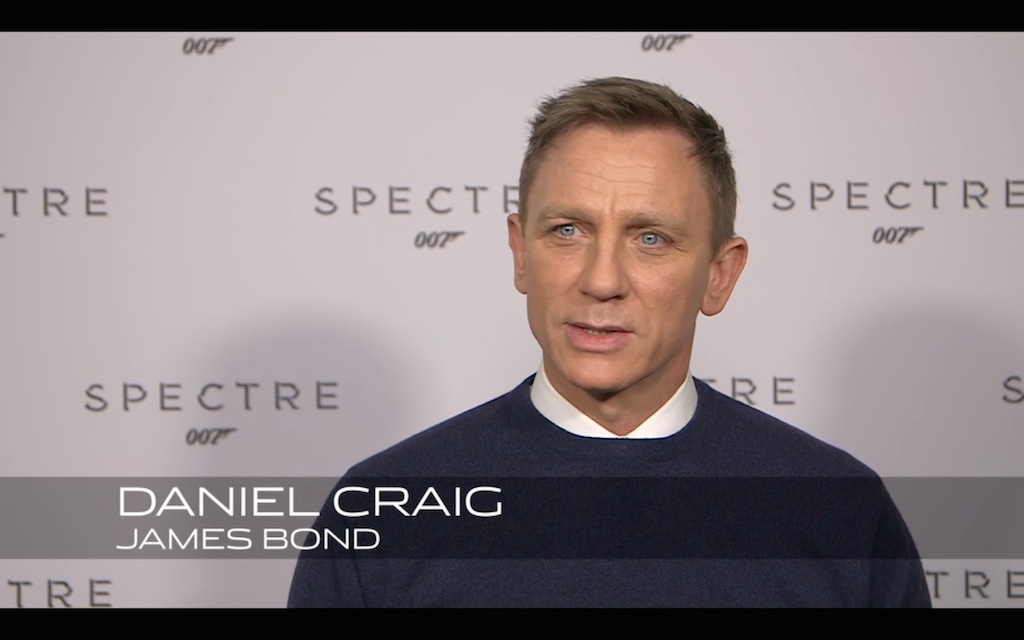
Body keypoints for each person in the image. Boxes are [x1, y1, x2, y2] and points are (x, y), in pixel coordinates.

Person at [288, 77, 931, 607]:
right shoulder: (383, 511)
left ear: (719, 274)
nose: (601, 280)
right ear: (520, 253)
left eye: (651, 238)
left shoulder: (840, 508)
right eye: (567, 230)